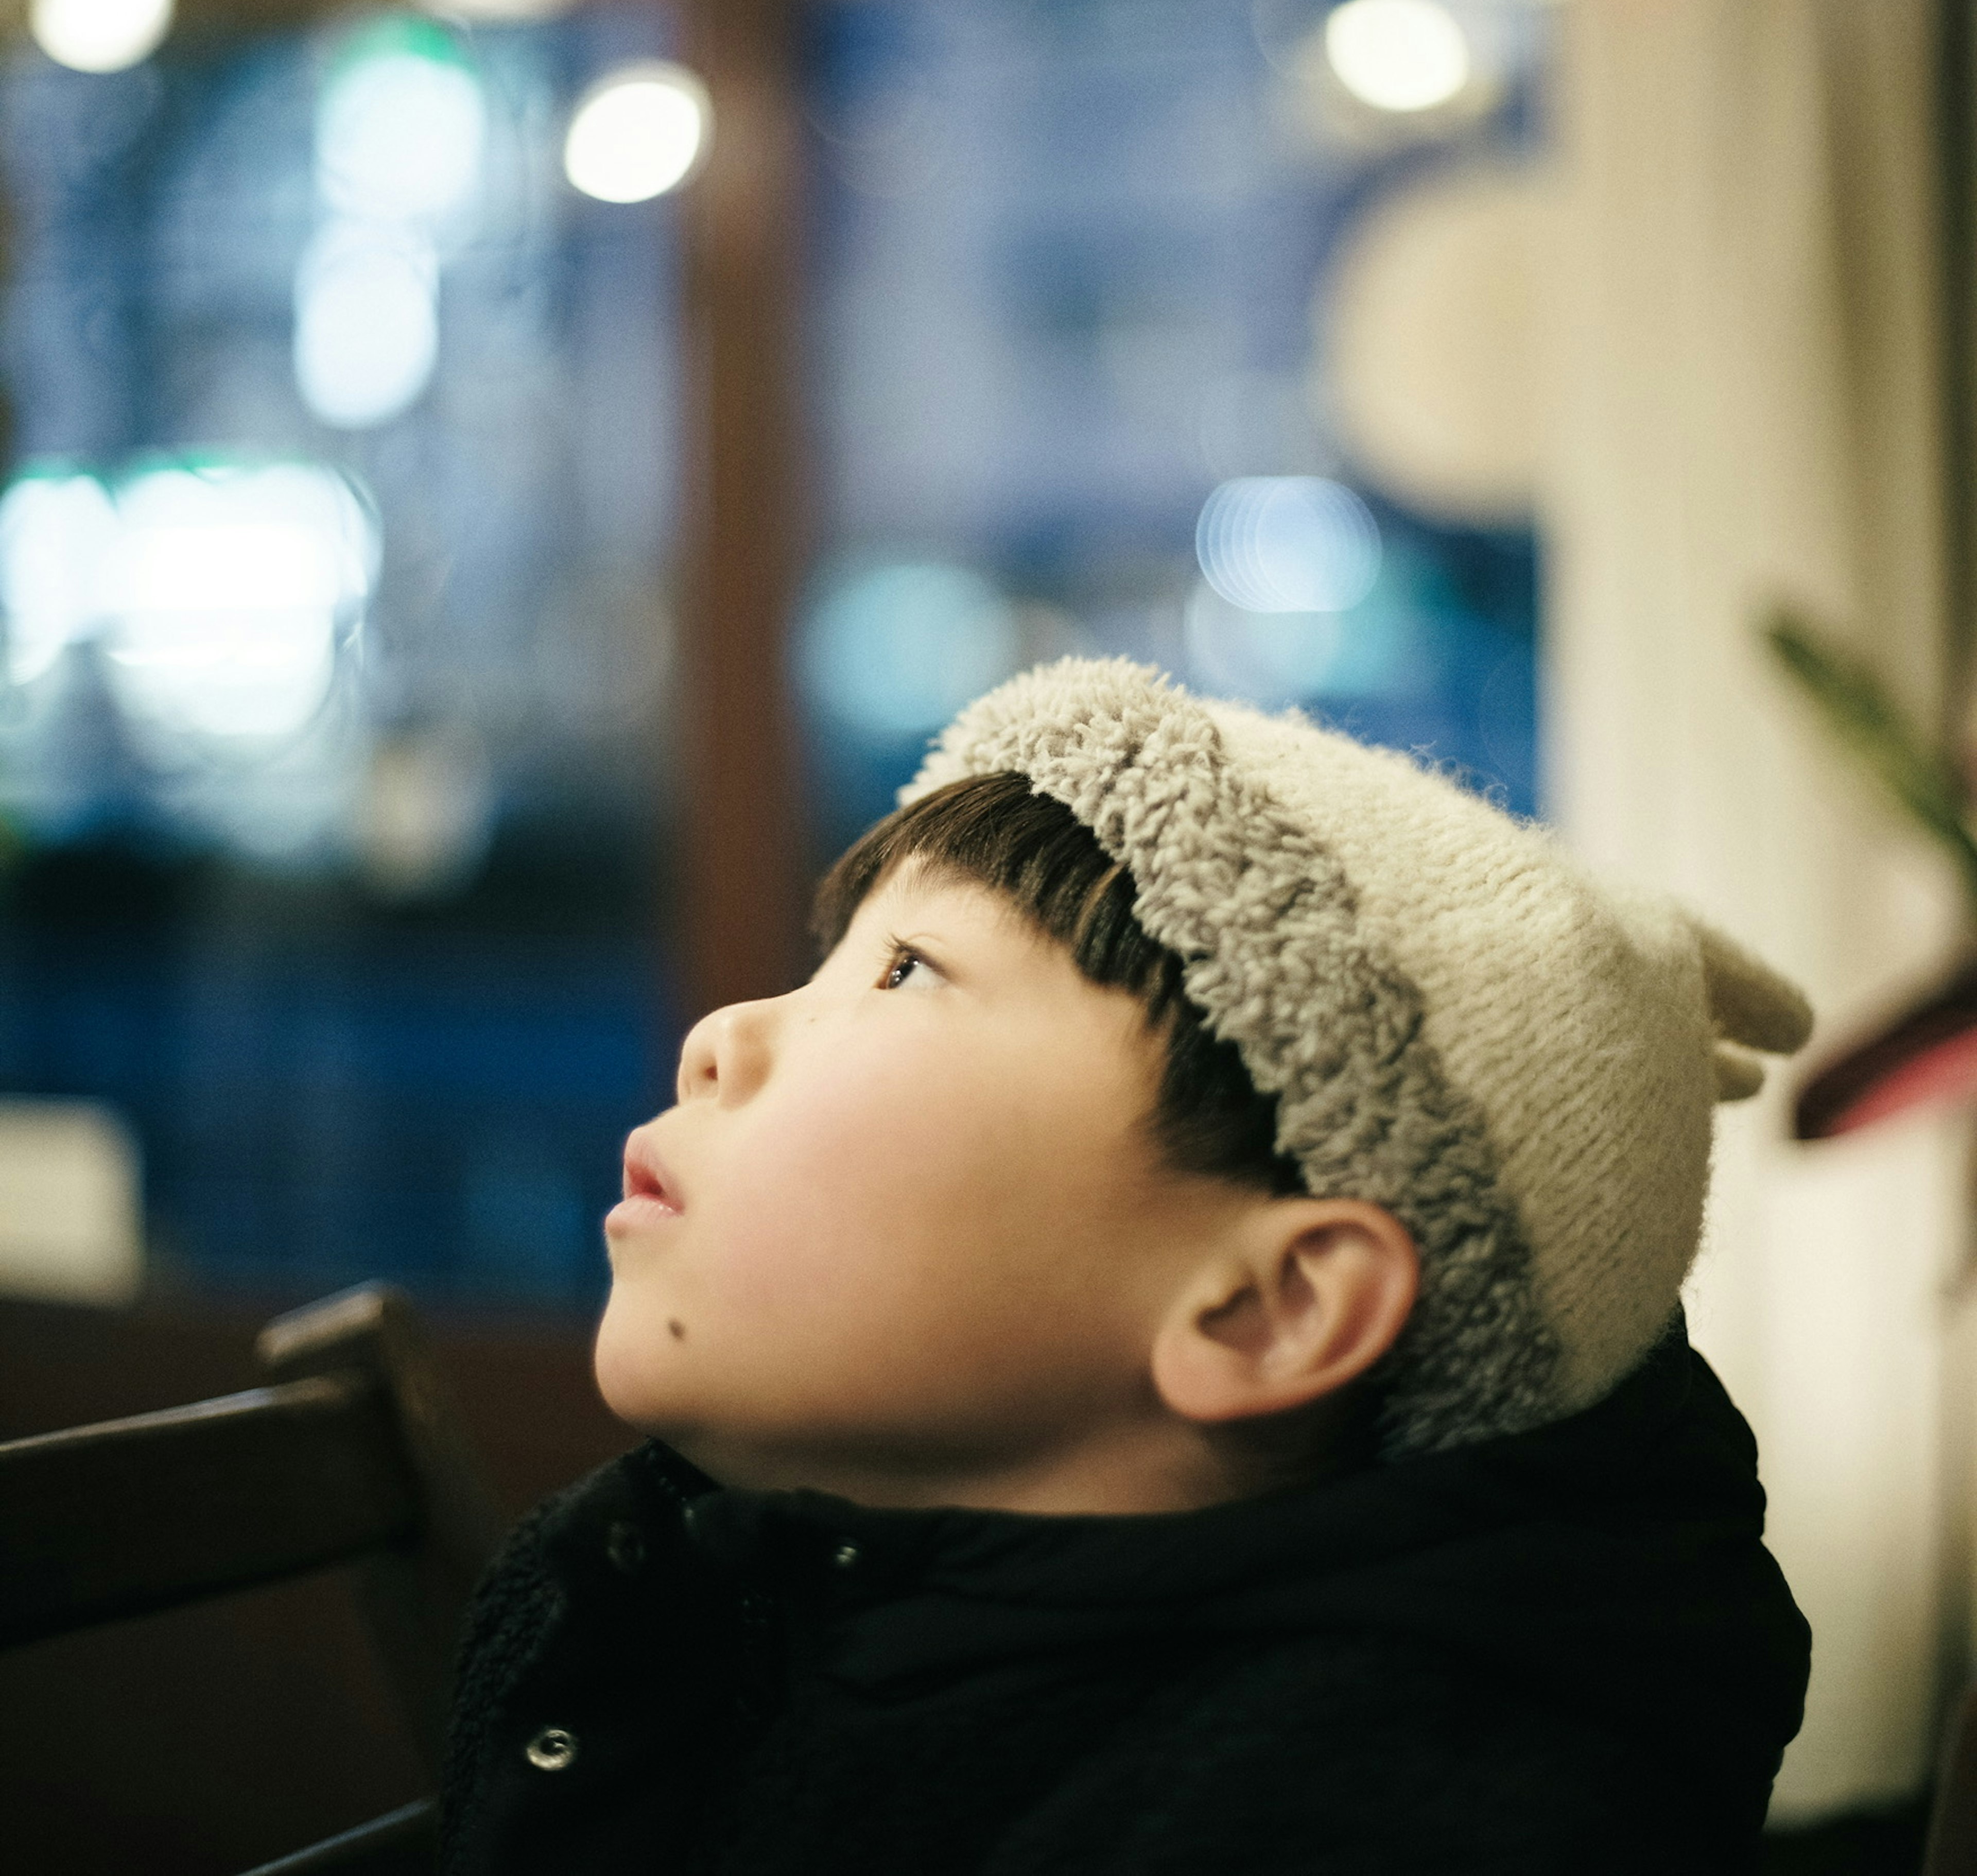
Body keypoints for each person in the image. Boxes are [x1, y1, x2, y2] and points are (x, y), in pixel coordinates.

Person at [443, 658, 1813, 1875]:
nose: (722, 1034)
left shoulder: (1359, 1816)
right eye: (834, 961)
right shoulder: (684, 1602)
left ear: (1267, 1308)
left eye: (909, 969)